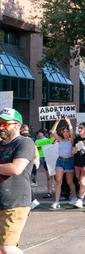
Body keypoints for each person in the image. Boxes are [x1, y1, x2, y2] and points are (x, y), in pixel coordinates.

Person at [0, 108, 35, 254]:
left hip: (15, 202)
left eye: (5, 124)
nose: (1, 127)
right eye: (0, 123)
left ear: (18, 126)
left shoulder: (25, 143)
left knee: (7, 248)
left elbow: (15, 169)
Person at [50, 117, 77, 209]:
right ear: (62, 132)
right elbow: (52, 132)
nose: (67, 132)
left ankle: (74, 197)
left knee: (70, 182)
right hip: (60, 161)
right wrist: (57, 121)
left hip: (69, 161)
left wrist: (69, 122)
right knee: (58, 181)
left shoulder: (71, 140)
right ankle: (56, 202)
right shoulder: (60, 139)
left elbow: (72, 133)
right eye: (65, 131)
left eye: (68, 131)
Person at [34, 130, 53, 199]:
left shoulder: (48, 140)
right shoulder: (36, 141)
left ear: (43, 133)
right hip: (44, 159)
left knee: (56, 178)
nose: (39, 134)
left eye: (40, 132)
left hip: (51, 160)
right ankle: (49, 192)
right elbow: (37, 150)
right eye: (38, 133)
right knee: (48, 177)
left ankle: (59, 191)